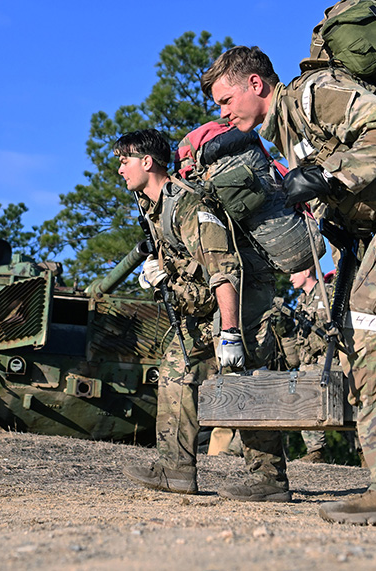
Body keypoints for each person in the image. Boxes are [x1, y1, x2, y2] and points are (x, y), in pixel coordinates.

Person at [202, 45, 376, 527]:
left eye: (226, 100)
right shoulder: (290, 130)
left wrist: (328, 176)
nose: (223, 113)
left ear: (256, 84)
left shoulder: (311, 94)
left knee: (375, 327)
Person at [115, 128, 290, 502]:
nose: (120, 170)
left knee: (246, 382)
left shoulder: (188, 206)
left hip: (241, 301)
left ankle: (270, 480)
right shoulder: (153, 207)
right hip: (204, 303)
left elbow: (224, 270)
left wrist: (230, 333)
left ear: (147, 162)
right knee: (175, 371)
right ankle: (175, 469)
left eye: (124, 160)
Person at [275, 267, 336, 463]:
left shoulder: (327, 293)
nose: (291, 278)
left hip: (327, 360)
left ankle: (364, 453)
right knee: (304, 404)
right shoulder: (302, 301)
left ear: (308, 271)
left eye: (295, 273)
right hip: (308, 362)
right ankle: (316, 451)